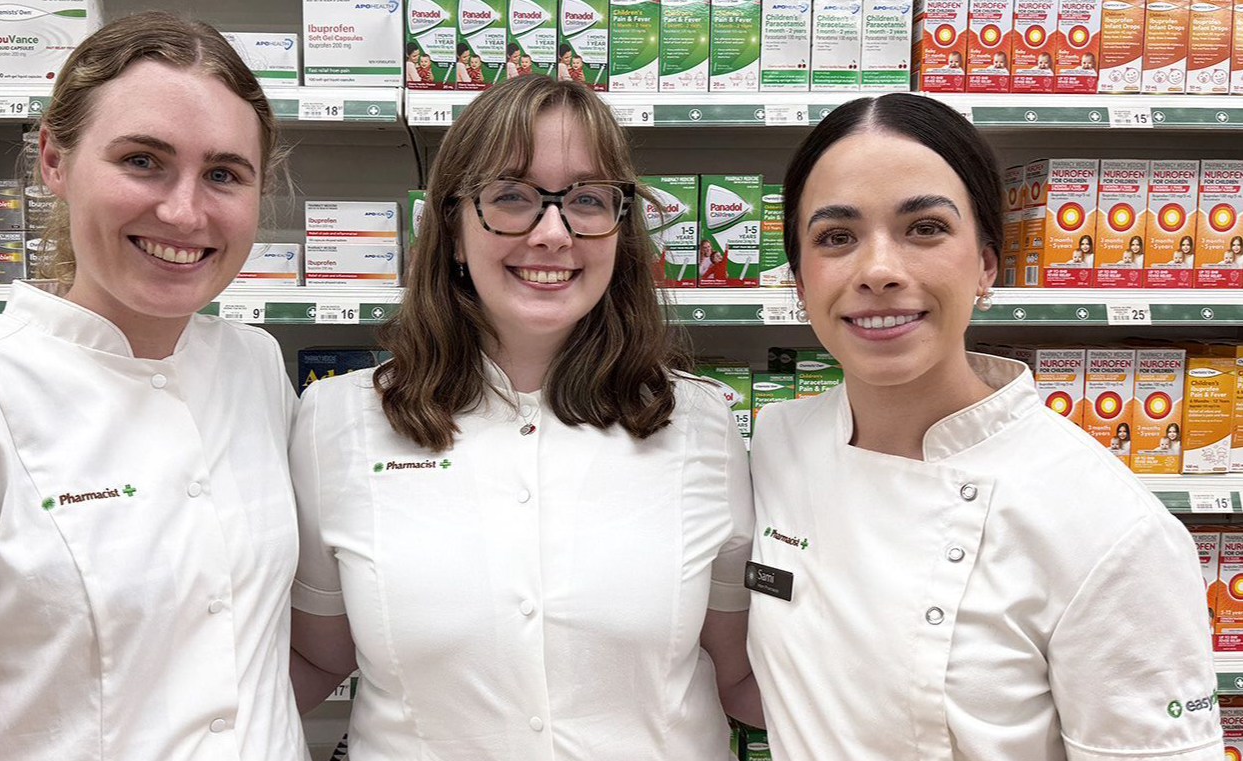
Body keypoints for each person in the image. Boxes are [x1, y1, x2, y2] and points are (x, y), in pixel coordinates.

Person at [0, 12, 309, 761]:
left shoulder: (255, 367)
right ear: (53, 160)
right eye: (142, 160)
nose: (183, 211)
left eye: (224, 174)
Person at [288, 75, 758, 759]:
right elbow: (316, 657)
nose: (552, 233)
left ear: (619, 229)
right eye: (511, 196)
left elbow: (738, 672)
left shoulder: (701, 422)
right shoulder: (338, 422)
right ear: (452, 229)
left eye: (588, 200)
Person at [746, 93, 1220, 759]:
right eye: (835, 237)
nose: (878, 271)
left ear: (987, 265)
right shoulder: (778, 442)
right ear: (799, 279)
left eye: (924, 228)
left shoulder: (1109, 528)